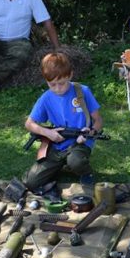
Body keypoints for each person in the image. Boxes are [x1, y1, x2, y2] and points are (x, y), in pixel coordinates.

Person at [23, 52, 103, 193]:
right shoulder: (46, 98)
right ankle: (60, 165)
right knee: (31, 182)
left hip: (79, 143)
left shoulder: (82, 92)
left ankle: (86, 173)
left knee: (76, 162)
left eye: (61, 83)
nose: (57, 88)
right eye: (52, 84)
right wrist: (48, 133)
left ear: (70, 75)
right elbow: (29, 124)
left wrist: (90, 132)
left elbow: (98, 121)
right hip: (57, 144)